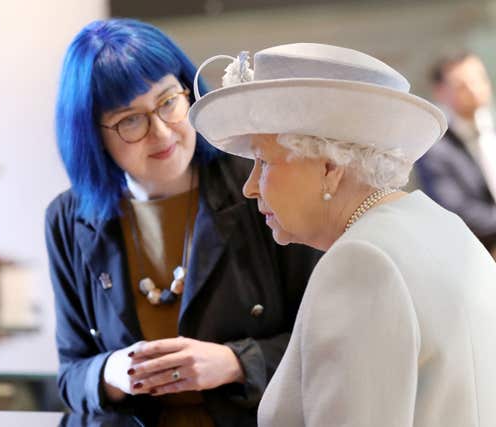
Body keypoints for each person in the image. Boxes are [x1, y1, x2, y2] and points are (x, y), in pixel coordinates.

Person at [189, 43, 496, 426]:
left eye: (263, 161)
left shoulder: (360, 263)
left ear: (329, 168)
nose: (250, 187)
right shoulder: (441, 225)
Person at [45, 19, 320, 426]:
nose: (162, 132)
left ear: (190, 92)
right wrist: (111, 372)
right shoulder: (68, 218)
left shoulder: (261, 184)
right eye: (130, 120)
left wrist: (234, 362)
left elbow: (324, 347)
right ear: (92, 136)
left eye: (168, 101)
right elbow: (70, 375)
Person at [417, 51, 496, 255]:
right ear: (440, 93)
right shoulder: (434, 148)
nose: (473, 89)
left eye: (478, 79)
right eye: (462, 85)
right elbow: (454, 208)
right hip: (479, 252)